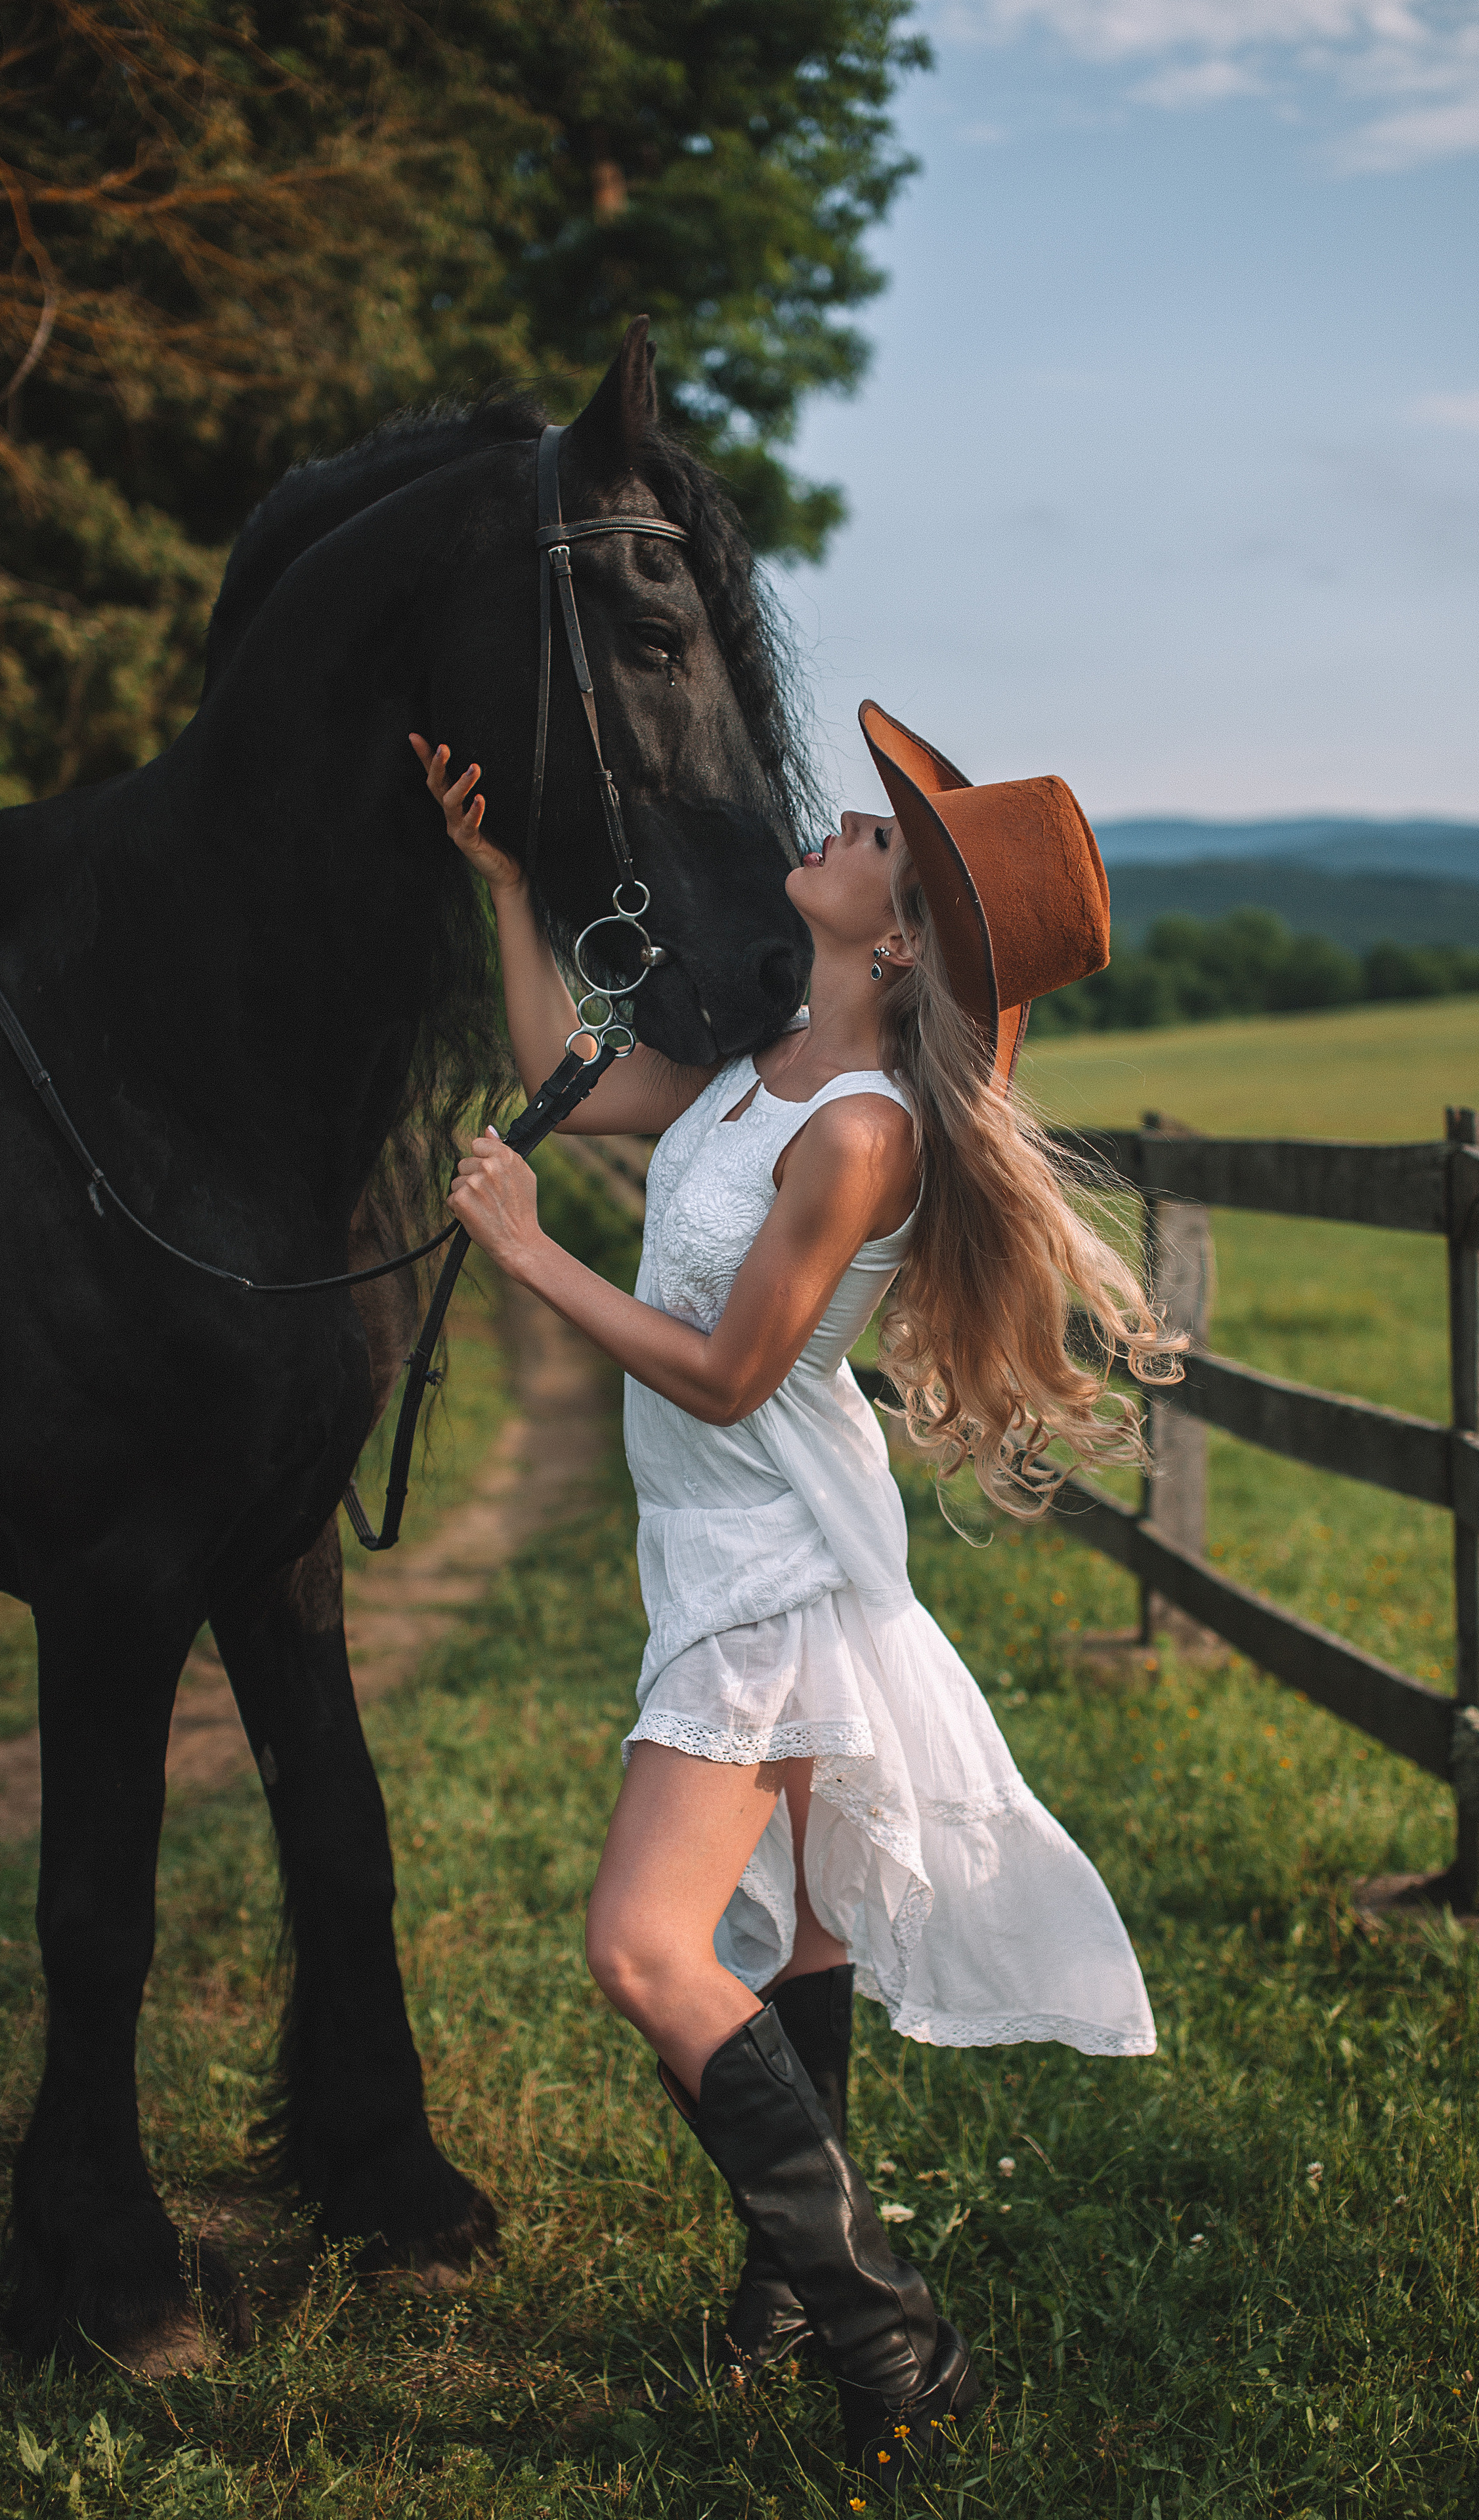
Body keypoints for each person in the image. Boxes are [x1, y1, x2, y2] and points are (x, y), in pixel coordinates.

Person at [412, 702, 1180, 2501]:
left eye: (880, 841)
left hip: (769, 1555)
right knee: (802, 1938)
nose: (844, 824)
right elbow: (571, 1074)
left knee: (644, 1948)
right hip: (735, 1541)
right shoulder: (762, 1060)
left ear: (895, 935)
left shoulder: (859, 1138)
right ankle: (782, 2283)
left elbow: (730, 1373)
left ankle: (887, 2328)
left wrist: (529, 1255)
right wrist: (511, 888)